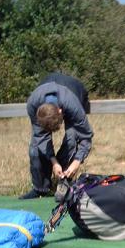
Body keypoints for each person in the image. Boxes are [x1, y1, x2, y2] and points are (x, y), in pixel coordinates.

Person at [19, 71, 94, 199]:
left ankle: (64, 183)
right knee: (35, 149)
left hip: (74, 91)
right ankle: (40, 188)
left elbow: (86, 136)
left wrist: (77, 161)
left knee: (71, 138)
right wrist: (54, 162)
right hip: (48, 86)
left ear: (61, 112)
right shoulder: (33, 104)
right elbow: (40, 138)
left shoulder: (73, 106)